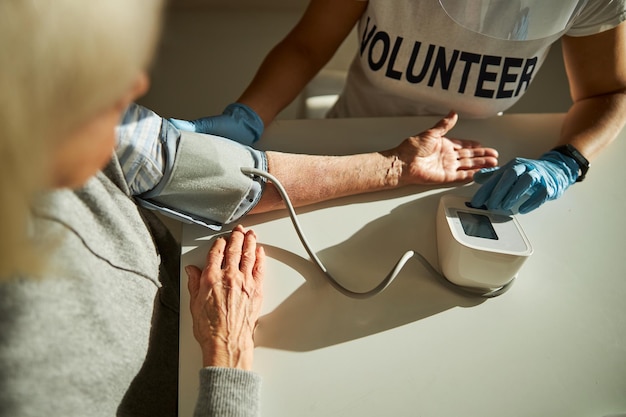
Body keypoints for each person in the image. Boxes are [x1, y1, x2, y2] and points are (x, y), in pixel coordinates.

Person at [0, 1, 498, 416]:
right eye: (92, 82)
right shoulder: (28, 372)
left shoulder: (66, 128)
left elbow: (215, 170)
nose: (134, 88)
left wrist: (393, 167)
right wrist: (227, 363)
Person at [172, 0, 626, 214]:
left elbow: (608, 92)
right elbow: (308, 46)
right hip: (347, 148)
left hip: (471, 170)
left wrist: (567, 161)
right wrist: (248, 114)